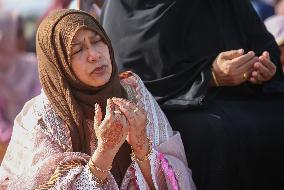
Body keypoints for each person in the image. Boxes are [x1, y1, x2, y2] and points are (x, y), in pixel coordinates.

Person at [0, 9, 195, 189]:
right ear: (58, 64)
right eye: (77, 50)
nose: (94, 55)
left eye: (97, 40)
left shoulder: (132, 91)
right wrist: (105, 152)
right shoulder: (43, 119)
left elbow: (175, 181)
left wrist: (142, 146)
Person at [101, 0, 284, 189]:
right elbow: (133, 74)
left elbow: (262, 44)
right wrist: (209, 76)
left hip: (244, 94)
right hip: (173, 102)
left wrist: (263, 68)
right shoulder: (124, 5)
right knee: (215, 132)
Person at [0, 10, 40, 162]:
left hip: (37, 142)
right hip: (7, 152)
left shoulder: (33, 65)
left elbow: (40, 104)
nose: (25, 38)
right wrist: (16, 139)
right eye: (19, 33)